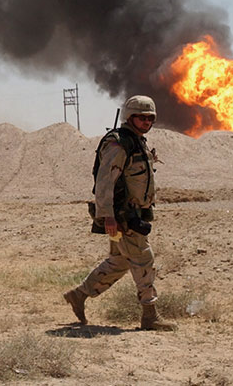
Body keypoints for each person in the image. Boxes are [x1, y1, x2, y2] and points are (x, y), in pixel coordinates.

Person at [62, 95, 177, 331]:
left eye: (150, 118)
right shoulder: (119, 144)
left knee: (119, 261)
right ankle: (150, 315)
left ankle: (79, 295)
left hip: (133, 215)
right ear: (130, 117)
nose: (147, 122)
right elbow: (105, 183)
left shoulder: (137, 142)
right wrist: (108, 217)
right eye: (142, 117)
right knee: (144, 259)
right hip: (123, 218)